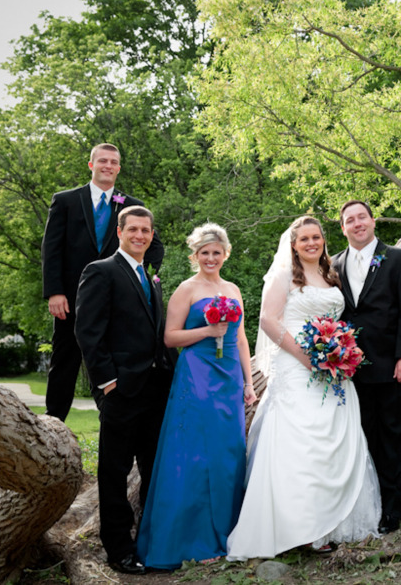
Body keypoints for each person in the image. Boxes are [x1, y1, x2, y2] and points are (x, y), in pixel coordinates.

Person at [227, 217, 380, 558]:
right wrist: (306, 358)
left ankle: (332, 523)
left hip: (333, 368)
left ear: (324, 240)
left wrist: (340, 352)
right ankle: (298, 527)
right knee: (301, 441)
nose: (312, 243)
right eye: (304, 239)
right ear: (293, 245)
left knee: (335, 437)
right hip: (296, 367)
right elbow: (268, 320)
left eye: (316, 237)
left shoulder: (330, 275)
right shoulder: (283, 276)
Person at [137, 224, 257, 569]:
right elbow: (170, 338)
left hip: (230, 377)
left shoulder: (233, 289)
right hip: (197, 375)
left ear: (225, 254)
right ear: (195, 255)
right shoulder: (186, 289)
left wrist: (248, 382)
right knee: (197, 453)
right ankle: (194, 540)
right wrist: (208, 330)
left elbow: (241, 339)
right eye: (204, 253)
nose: (210, 258)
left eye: (216, 252)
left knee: (229, 452)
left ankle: (228, 533)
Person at [75, 206, 173, 575]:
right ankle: (118, 549)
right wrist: (107, 383)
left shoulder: (151, 278)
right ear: (119, 232)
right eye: (133, 229)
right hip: (120, 390)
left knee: (153, 470)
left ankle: (150, 542)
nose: (140, 236)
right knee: (114, 473)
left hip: (155, 389)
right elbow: (88, 332)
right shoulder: (100, 271)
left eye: (146, 230)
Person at [42, 143, 164, 421]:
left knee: (114, 358)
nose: (108, 166)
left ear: (119, 168)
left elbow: (155, 248)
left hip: (119, 302)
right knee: (65, 358)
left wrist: (139, 279)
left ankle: (118, 418)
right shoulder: (66, 201)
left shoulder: (132, 205)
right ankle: (53, 422)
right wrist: (55, 292)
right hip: (72, 299)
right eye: (103, 161)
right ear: (91, 165)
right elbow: (51, 248)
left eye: (113, 162)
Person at [332, 201, 401, 535]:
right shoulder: (333, 265)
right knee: (362, 437)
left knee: (393, 436)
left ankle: (394, 507)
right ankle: (366, 506)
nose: (357, 223)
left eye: (362, 217)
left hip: (393, 364)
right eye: (350, 220)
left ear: (373, 221)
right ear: (342, 227)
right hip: (350, 370)